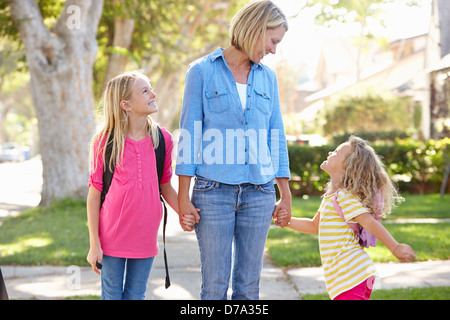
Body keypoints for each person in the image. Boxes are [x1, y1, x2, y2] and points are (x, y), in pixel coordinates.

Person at [175, 0, 291, 300]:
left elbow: (276, 136)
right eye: (273, 41)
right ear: (255, 27)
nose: (274, 50)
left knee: (249, 288)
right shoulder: (201, 71)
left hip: (260, 193)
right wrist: (183, 198)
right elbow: (190, 135)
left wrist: (285, 194)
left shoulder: (268, 78)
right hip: (213, 192)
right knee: (214, 286)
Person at [86, 70, 189, 300]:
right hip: (111, 236)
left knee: (136, 294)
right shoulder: (104, 142)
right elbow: (94, 196)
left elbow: (165, 186)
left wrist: (184, 213)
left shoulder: (163, 139)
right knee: (112, 294)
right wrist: (95, 244)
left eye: (151, 88)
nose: (153, 94)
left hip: (145, 235)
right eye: (145, 91)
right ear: (126, 104)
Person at [277, 135, 416, 300]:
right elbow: (314, 226)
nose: (330, 152)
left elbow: (369, 222)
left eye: (336, 152)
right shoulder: (332, 198)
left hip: (351, 275)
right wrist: (286, 221)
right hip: (344, 278)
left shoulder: (344, 197)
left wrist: (395, 247)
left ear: (348, 167)